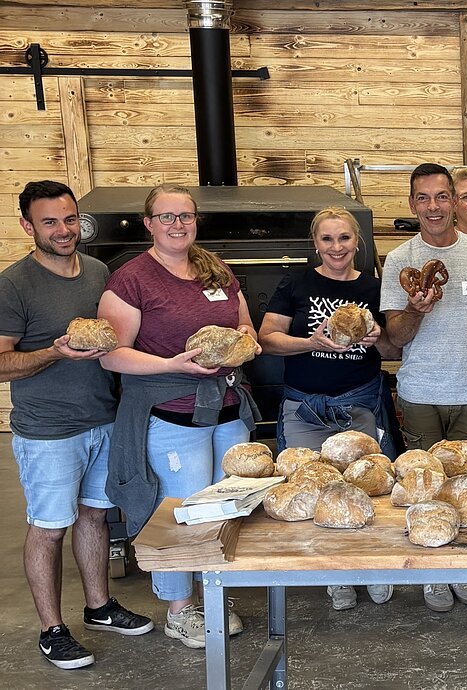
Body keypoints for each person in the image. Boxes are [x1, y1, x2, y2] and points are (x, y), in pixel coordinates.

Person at [0, 181, 153, 669]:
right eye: (49, 222)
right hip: (48, 430)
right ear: (28, 226)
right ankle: (52, 630)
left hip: (103, 419)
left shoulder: (98, 272)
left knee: (95, 517)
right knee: (48, 528)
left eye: (69, 219)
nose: (63, 230)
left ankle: (99, 607)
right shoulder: (13, 284)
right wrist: (53, 352)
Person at [99, 184, 260, 649]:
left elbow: (244, 325)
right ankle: (178, 609)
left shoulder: (215, 269)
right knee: (178, 512)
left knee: (226, 507)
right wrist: (172, 364)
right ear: (148, 223)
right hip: (171, 414)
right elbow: (111, 355)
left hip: (227, 408)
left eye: (185, 216)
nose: (177, 224)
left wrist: (244, 343)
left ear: (195, 220)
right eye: (166, 216)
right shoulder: (132, 279)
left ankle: (213, 595)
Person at [380, 163, 467, 612]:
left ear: (454, 200)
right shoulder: (399, 260)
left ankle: (462, 565)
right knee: (423, 488)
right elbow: (394, 337)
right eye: (423, 198)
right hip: (420, 393)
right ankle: (432, 573)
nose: (433, 207)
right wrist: (415, 310)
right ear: (412, 204)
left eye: (441, 196)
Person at [259, 207, 398, 612]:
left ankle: (372, 567)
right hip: (305, 408)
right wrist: (311, 343)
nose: (337, 247)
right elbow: (267, 339)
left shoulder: (374, 287)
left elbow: (393, 349)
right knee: (310, 489)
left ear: (357, 241)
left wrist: (378, 336)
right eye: (327, 239)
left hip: (360, 405)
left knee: (368, 488)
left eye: (344, 238)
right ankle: (335, 574)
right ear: (315, 244)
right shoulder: (296, 282)